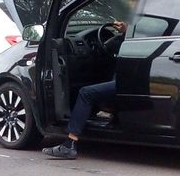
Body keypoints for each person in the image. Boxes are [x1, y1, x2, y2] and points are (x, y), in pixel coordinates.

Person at [43, 20, 128, 160]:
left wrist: (125, 33)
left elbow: (111, 47)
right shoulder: (145, 34)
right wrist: (125, 32)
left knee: (86, 93)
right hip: (135, 80)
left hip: (128, 83)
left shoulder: (137, 37)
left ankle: (69, 144)